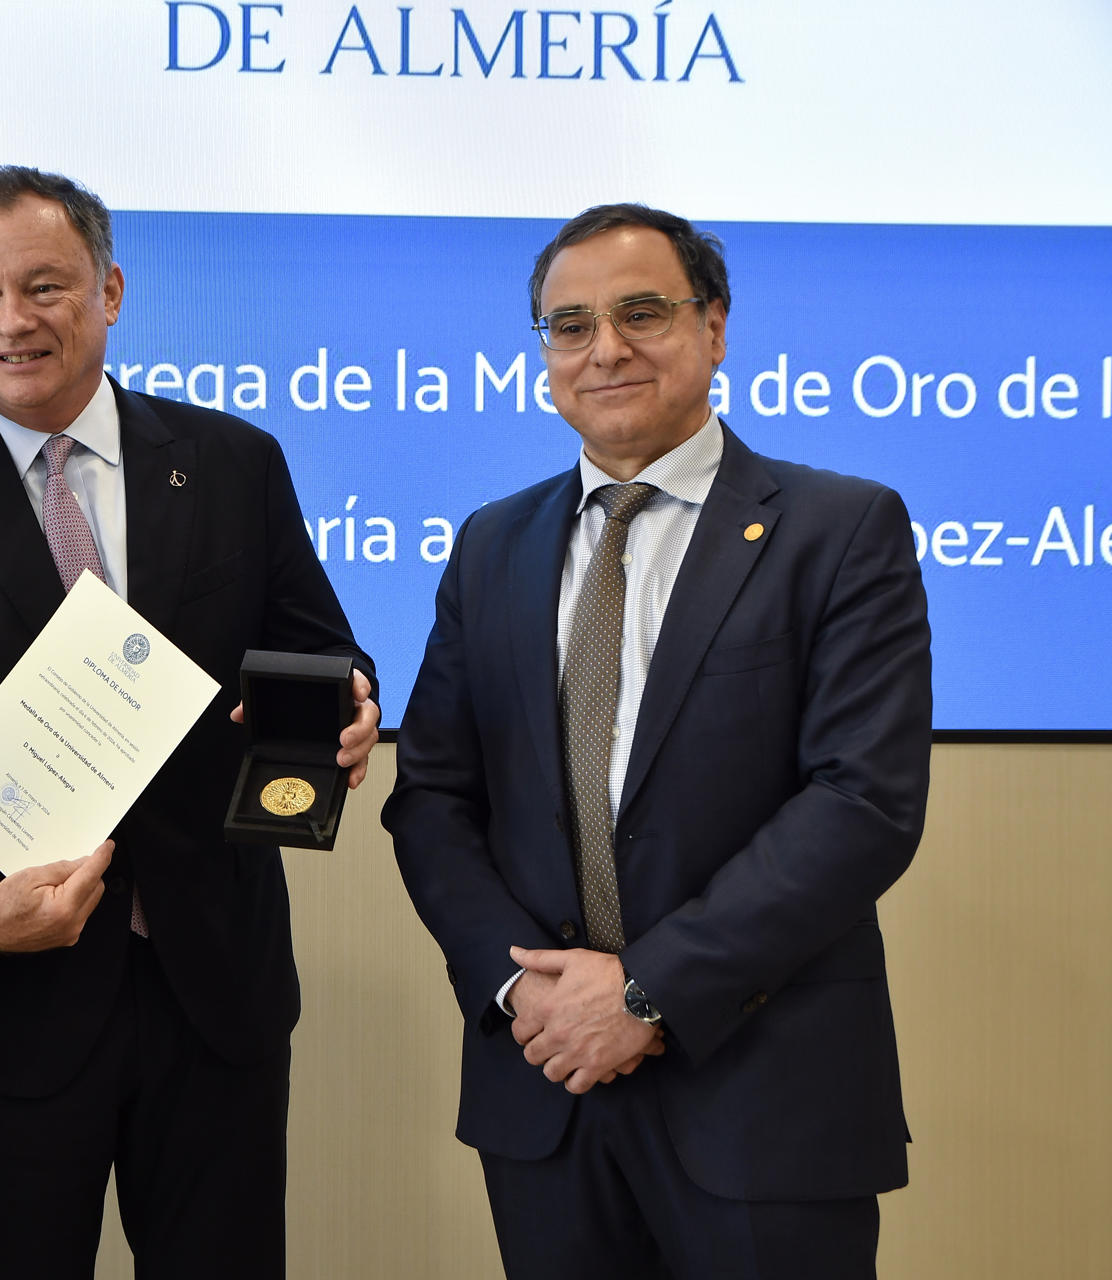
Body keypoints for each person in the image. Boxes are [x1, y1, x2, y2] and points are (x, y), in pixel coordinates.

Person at [0, 165, 378, 1279]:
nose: (11, 321)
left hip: (213, 988)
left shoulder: (232, 463)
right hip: (10, 1003)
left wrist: (348, 705)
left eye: (44, 286)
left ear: (110, 289)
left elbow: (323, 648)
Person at [383, 205, 932, 1278]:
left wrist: (646, 991)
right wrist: (524, 992)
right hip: (547, 1092)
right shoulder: (492, 543)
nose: (607, 348)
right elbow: (435, 797)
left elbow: (861, 801)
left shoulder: (840, 529)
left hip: (762, 1095)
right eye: (570, 323)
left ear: (715, 327)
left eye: (643, 312)